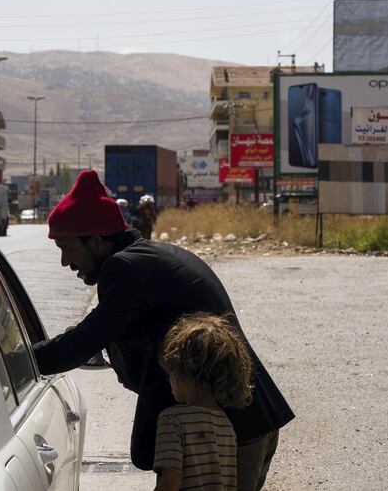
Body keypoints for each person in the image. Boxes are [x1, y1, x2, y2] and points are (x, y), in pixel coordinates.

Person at [32, 170, 293, 491]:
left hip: (224, 432)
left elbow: (85, 340)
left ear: (96, 241)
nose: (64, 262)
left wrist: (17, 364)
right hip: (246, 422)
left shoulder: (124, 268)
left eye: (66, 248)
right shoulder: (154, 257)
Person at [153, 314, 253, 491]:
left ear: (183, 374)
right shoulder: (225, 424)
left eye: (170, 374)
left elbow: (170, 481)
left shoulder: (172, 420)